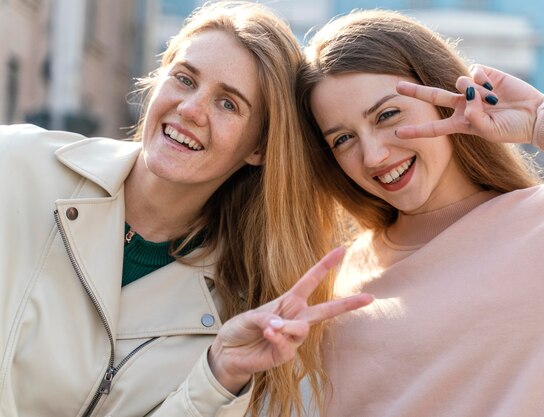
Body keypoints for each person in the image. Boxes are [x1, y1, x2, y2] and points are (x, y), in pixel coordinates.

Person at [0, 2, 373, 417]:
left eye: (228, 104)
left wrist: (218, 377)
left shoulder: (237, 310)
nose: (191, 109)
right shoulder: (14, 166)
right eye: (184, 79)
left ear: (259, 148)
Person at [296, 8, 544, 417]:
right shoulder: (337, 275)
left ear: (443, 99)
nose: (373, 155)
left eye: (387, 115)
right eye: (343, 138)